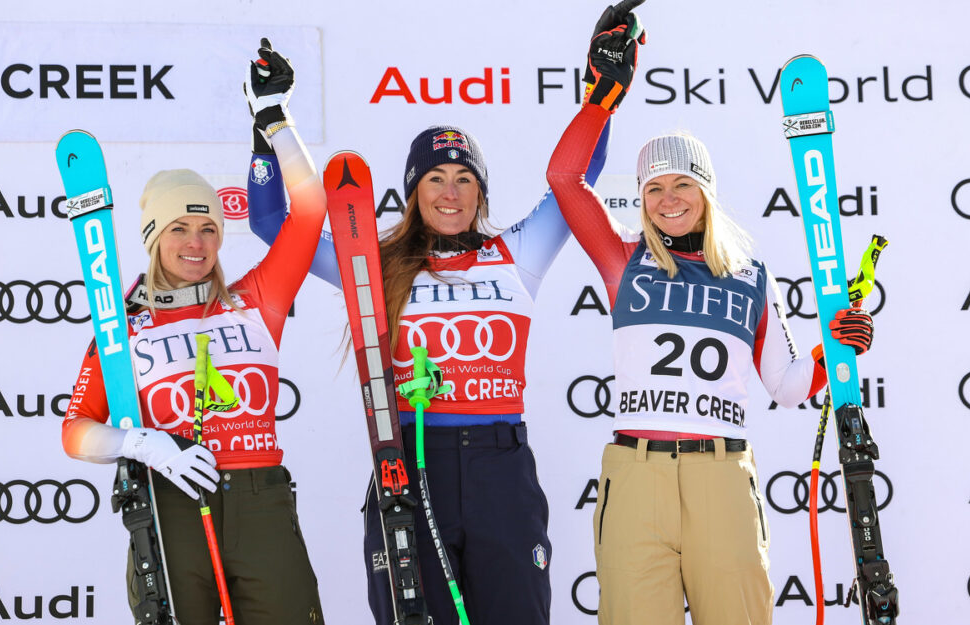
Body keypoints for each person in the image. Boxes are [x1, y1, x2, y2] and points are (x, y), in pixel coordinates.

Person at [245, 37, 617, 625]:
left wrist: (603, 96)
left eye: (464, 179)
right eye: (435, 178)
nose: (450, 192)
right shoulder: (373, 264)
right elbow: (270, 221)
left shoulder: (517, 253)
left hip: (502, 467)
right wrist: (268, 125)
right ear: (414, 190)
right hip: (412, 467)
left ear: (481, 192)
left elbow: (580, 176)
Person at [546, 12, 875, 625]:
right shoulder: (624, 261)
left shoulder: (749, 276)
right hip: (636, 476)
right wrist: (602, 99)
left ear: (707, 192)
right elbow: (564, 178)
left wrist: (838, 352)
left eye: (683, 184)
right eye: (653, 189)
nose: (668, 199)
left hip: (722, 477)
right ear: (640, 200)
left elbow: (786, 386)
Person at [62, 40, 327, 625]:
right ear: (154, 236)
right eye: (179, 227)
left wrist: (274, 119)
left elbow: (309, 209)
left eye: (209, 227)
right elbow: (75, 433)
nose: (196, 243)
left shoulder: (255, 298)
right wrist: (140, 444)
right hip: (171, 503)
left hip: (261, 500)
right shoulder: (121, 324)